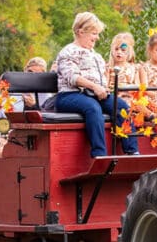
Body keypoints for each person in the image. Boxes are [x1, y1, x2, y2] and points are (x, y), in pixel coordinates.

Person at [53, 12, 139, 157]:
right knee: (92, 108)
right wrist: (95, 87)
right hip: (70, 95)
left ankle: (132, 152)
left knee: (122, 106)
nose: (97, 37)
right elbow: (72, 77)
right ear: (81, 32)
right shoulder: (68, 52)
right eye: (94, 33)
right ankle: (100, 155)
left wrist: (103, 87)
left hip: (93, 94)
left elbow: (102, 79)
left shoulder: (95, 55)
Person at [105, 32, 141, 101]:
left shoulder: (134, 68)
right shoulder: (109, 68)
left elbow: (138, 86)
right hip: (115, 98)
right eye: (116, 49)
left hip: (131, 97)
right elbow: (105, 87)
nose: (119, 52)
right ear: (112, 50)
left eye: (123, 50)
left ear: (129, 52)